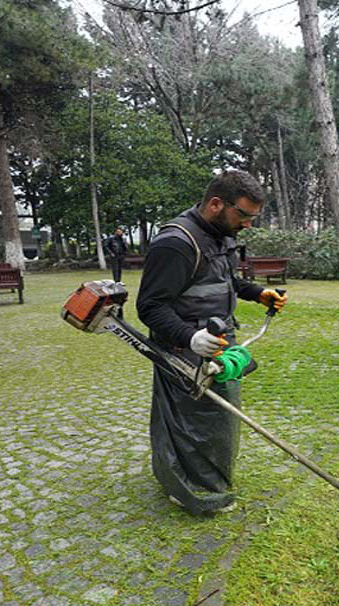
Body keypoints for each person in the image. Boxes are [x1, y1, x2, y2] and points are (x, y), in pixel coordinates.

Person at [136, 170, 287, 515]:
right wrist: (190, 337)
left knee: (217, 418)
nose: (248, 224)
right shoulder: (176, 243)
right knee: (193, 422)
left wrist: (256, 293)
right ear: (217, 204)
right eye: (244, 215)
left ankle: (209, 477)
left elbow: (222, 278)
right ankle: (186, 487)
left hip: (217, 343)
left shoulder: (218, 233)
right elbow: (149, 306)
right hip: (183, 347)